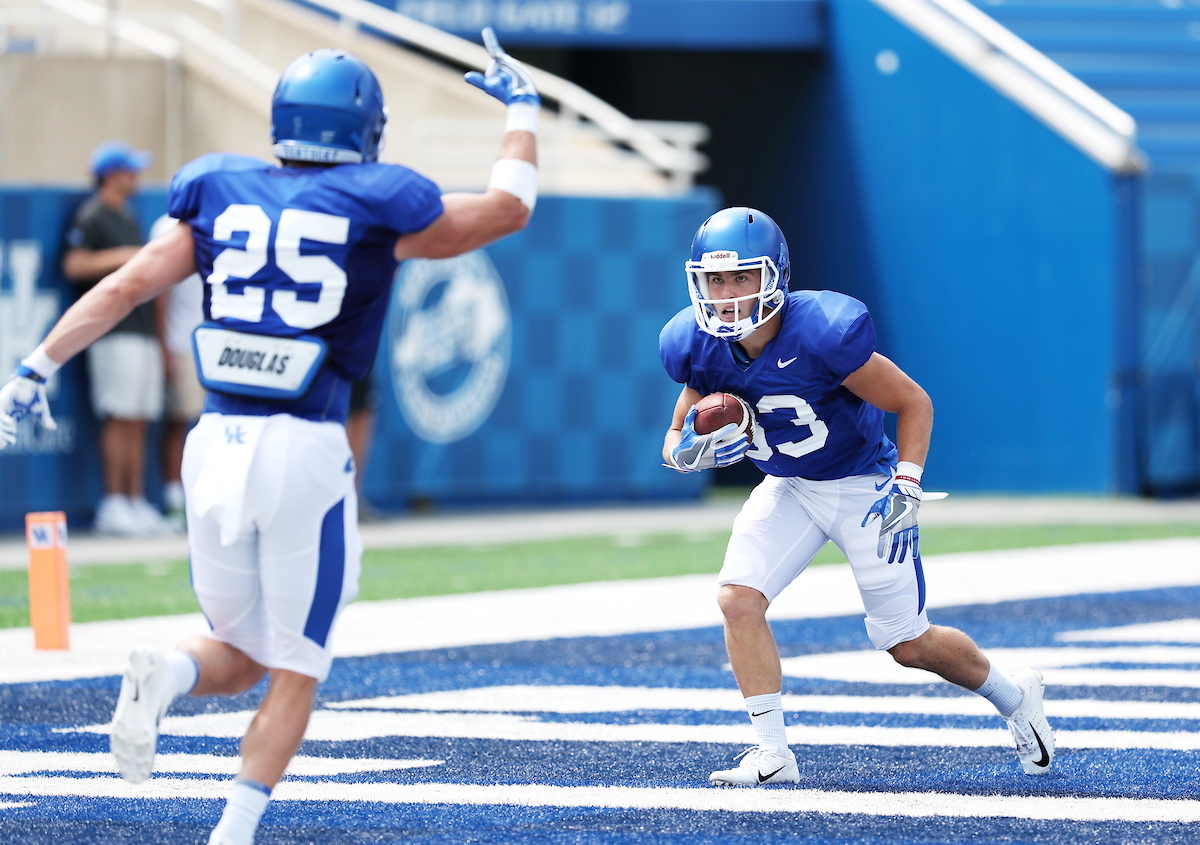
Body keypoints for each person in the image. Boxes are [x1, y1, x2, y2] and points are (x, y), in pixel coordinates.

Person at [0, 35, 538, 845]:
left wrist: (34, 367)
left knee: (237, 651)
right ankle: (234, 831)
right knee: (294, 668)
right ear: (364, 131)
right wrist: (523, 111)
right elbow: (508, 208)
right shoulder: (376, 202)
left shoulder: (218, 190)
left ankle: (169, 673)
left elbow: (122, 286)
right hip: (305, 449)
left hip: (212, 445)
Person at [658, 207, 1054, 786]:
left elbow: (913, 402)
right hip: (790, 486)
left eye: (741, 277)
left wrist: (909, 482)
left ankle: (1016, 697)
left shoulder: (821, 331)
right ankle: (772, 752)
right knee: (737, 599)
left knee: (907, 643)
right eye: (715, 280)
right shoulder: (694, 344)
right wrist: (685, 453)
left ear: (774, 276)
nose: (727, 295)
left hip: (863, 485)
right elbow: (674, 436)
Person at [62, 141, 176, 535]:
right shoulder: (92, 215)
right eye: (130, 171)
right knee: (120, 414)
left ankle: (134, 501)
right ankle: (113, 502)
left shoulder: (128, 216)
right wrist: (127, 257)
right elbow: (75, 264)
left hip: (141, 329)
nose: (136, 178)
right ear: (112, 176)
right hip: (112, 332)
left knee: (140, 418)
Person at [150, 212, 207, 528]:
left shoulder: (222, 220)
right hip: (181, 341)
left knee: (211, 424)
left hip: (212, 341)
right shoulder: (167, 228)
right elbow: (162, 293)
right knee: (179, 421)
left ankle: (203, 498)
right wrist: (165, 346)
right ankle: (174, 501)